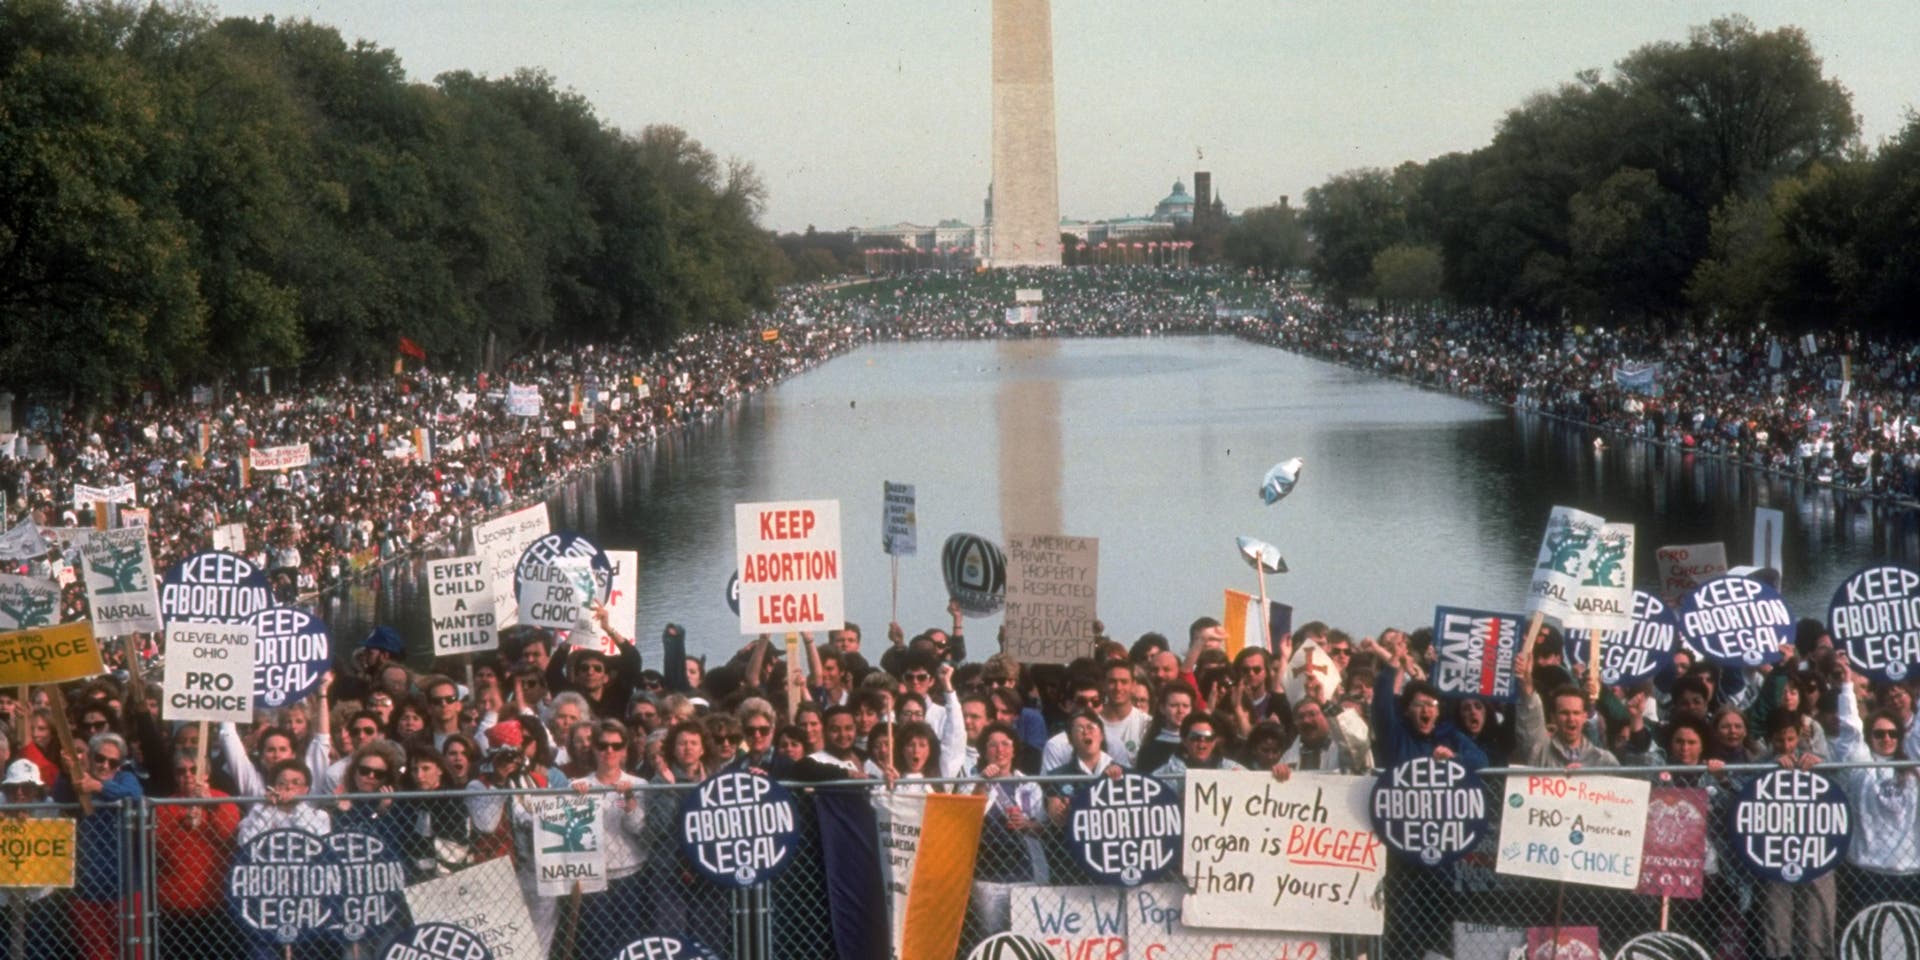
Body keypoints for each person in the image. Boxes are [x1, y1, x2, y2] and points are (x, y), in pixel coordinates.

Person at [1827, 655, 1920, 926]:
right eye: (1879, 734)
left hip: (1911, 872)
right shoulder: (1860, 768)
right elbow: (1850, 731)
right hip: (1866, 873)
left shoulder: (1914, 767)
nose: (1887, 738)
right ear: (1870, 738)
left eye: (1892, 733)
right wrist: (1846, 686)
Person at [54, 732, 142, 960]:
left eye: (112, 762)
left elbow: (135, 795)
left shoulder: (126, 778)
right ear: (90, 757)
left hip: (124, 886)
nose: (104, 765)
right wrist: (68, 772)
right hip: (87, 888)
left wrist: (100, 788)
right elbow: (60, 794)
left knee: (133, 951)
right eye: (99, 758)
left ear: (120, 765)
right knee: (96, 953)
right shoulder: (77, 780)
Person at [570, 721, 651, 960]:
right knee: (598, 945)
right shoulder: (578, 785)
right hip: (594, 877)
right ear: (594, 748)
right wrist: (577, 802)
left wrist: (629, 800)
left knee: (630, 945)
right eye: (603, 745)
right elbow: (571, 834)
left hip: (631, 875)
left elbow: (638, 829)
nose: (609, 751)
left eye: (617, 745)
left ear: (625, 750)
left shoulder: (639, 785)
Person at [153, 751, 243, 958]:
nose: (188, 775)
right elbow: (159, 845)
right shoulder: (164, 804)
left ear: (206, 775)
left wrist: (210, 806)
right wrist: (182, 820)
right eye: (181, 771)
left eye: (194, 770)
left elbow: (228, 835)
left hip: (218, 903)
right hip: (175, 905)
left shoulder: (222, 799)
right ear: (175, 777)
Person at [968, 722, 1048, 934]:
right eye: (992, 745)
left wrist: (1026, 824)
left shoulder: (1030, 785)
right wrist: (982, 783)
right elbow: (967, 818)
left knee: (1027, 936)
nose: (999, 750)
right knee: (992, 935)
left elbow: (1042, 827)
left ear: (1014, 750)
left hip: (1025, 874)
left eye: (1005, 744)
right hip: (987, 876)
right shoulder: (973, 782)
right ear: (985, 752)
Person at [1151, 711, 1244, 780]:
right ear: (1184, 740)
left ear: (1215, 741)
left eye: (1208, 738)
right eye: (1195, 738)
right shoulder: (1165, 775)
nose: (1201, 744)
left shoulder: (1233, 770)